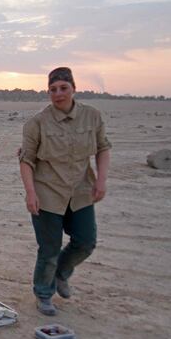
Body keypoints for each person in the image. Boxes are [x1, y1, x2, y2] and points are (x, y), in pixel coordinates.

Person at [18, 67, 111, 316]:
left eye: (63, 88)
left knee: (85, 242)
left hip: (81, 191)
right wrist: (30, 193)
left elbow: (103, 148)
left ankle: (61, 273)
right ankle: (44, 293)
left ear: (73, 89)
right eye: (53, 89)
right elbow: (26, 161)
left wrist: (101, 180)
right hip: (47, 193)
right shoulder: (36, 123)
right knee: (48, 248)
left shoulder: (92, 117)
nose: (58, 94)